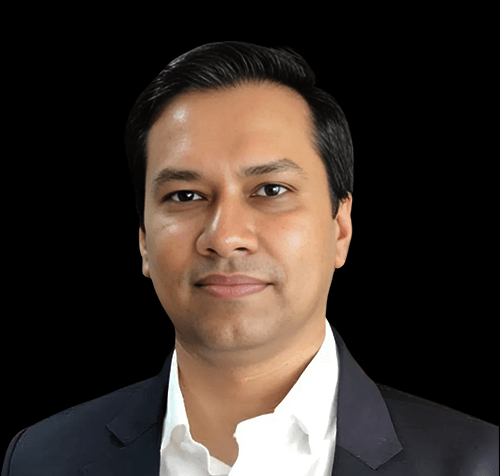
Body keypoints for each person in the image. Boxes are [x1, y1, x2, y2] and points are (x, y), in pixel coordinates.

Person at [2, 41, 498, 476]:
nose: (225, 237)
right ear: (144, 241)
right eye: (185, 196)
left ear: (340, 228)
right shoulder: (41, 459)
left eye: (270, 189)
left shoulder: (479, 461)